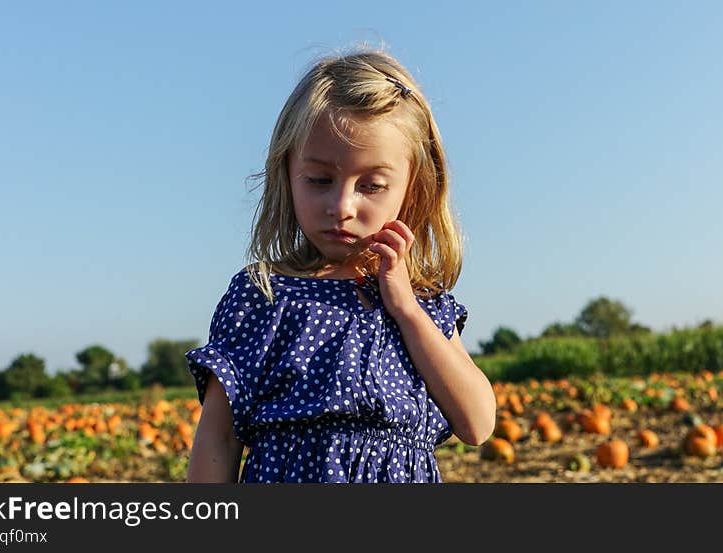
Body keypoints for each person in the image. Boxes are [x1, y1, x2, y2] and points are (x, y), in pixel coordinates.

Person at [185, 48, 496, 483]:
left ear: (414, 188)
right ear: (286, 173)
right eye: (319, 181)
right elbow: (217, 441)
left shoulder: (423, 303)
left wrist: (405, 307)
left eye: (371, 185)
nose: (342, 206)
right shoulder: (265, 296)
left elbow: (478, 424)